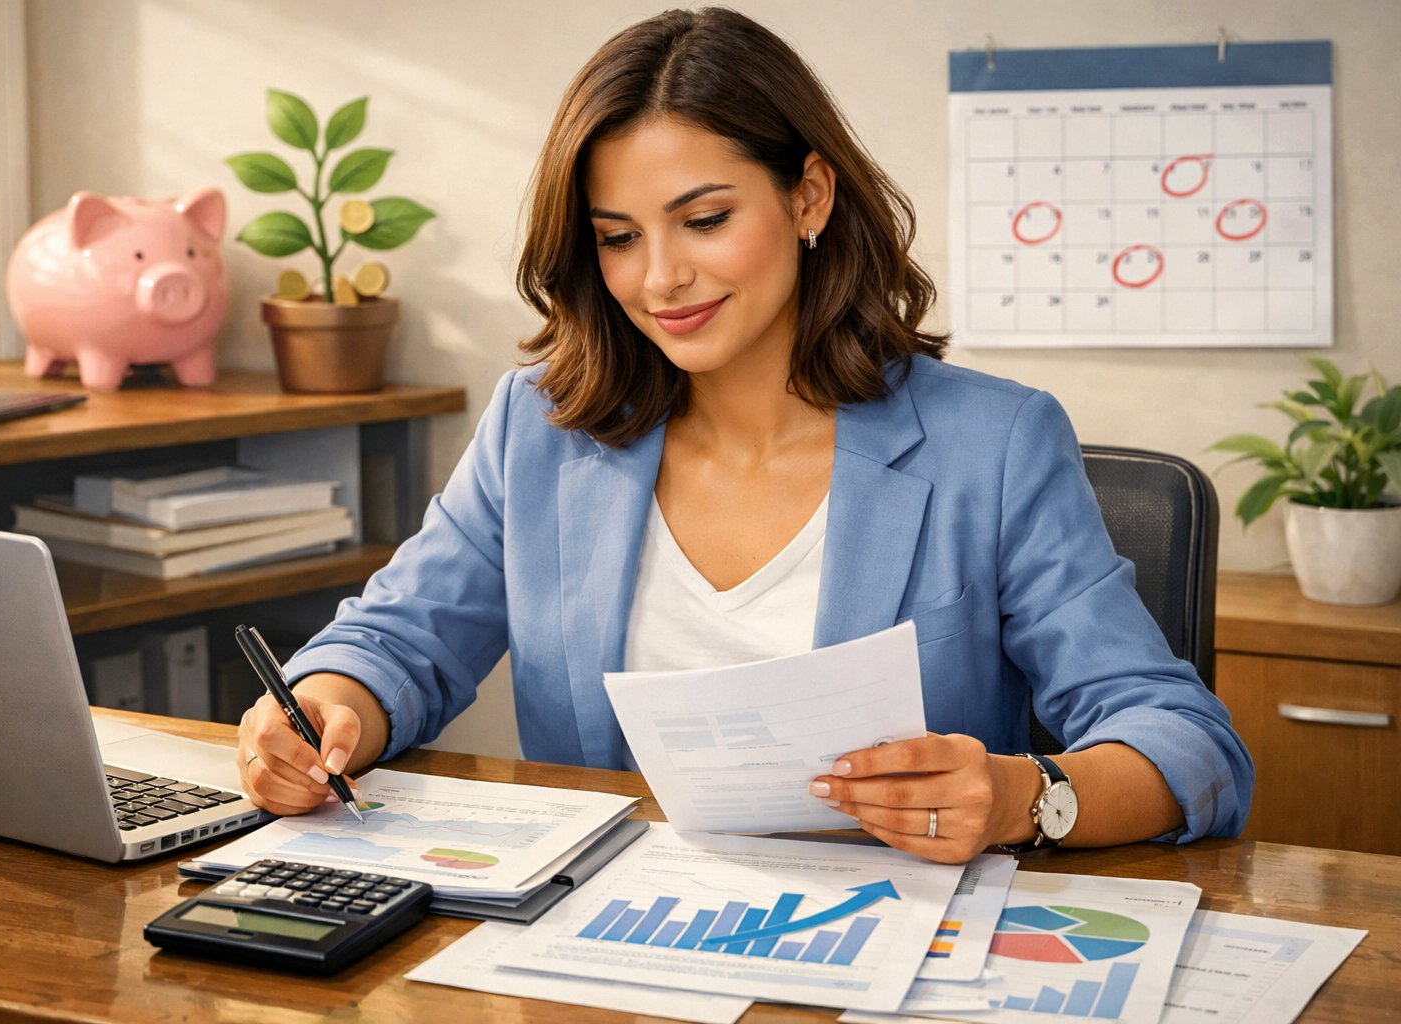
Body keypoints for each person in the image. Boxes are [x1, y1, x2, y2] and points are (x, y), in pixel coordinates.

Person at [236, 7, 1253, 865]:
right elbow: (399, 639)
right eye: (618, 237)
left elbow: (1186, 742)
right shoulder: (540, 427)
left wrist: (1023, 796)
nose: (660, 277)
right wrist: (330, 707)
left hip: (887, 960)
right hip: (604, 953)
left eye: (705, 218)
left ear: (808, 196)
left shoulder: (995, 444)